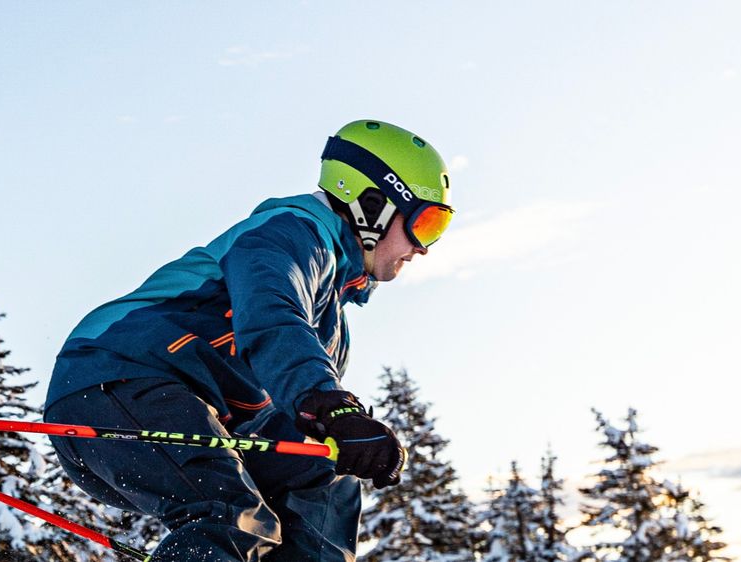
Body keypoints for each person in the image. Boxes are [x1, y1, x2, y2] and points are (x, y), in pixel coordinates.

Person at [43, 119, 455, 561]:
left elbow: (287, 411)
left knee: (323, 477)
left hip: (194, 414)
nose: (424, 247)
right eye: (425, 223)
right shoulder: (288, 234)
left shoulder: (333, 323)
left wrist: (332, 434)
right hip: (116, 380)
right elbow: (272, 316)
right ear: (371, 206)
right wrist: (332, 406)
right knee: (229, 514)